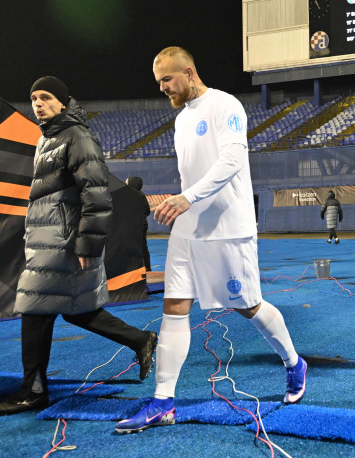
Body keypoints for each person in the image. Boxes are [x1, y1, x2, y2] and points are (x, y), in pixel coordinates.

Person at [115, 47, 306, 434]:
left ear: (188, 72)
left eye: (167, 80)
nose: (163, 89)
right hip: (190, 227)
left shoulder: (226, 105)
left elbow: (232, 160)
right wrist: (184, 202)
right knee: (174, 307)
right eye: (159, 83)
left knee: (248, 305)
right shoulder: (180, 119)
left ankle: (294, 363)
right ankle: (163, 402)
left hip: (228, 227)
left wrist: (188, 197)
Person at [0, 77, 157, 416]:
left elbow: (96, 195)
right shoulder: (49, 139)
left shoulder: (77, 137)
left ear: (63, 102)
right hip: (49, 242)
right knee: (78, 310)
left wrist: (88, 245)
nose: (38, 103)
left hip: (64, 245)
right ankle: (140, 341)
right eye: (34, 98)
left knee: (35, 311)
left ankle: (34, 391)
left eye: (46, 97)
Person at [126, 176, 152, 271]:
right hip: (142, 224)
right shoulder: (141, 195)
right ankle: (147, 268)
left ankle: (133, 268)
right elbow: (148, 210)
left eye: (127, 181)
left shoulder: (127, 196)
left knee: (131, 247)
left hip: (134, 225)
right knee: (143, 247)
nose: (125, 182)